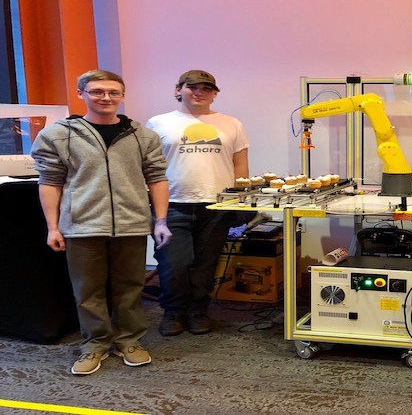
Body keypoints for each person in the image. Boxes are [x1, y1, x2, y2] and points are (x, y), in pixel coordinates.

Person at [31, 69, 171, 375]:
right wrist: (53, 226)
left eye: (112, 92)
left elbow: (157, 178)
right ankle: (94, 343)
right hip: (82, 225)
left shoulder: (142, 135)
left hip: (132, 223)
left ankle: (130, 341)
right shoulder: (58, 135)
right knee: (87, 289)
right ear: (81, 94)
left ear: (122, 96)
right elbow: (50, 181)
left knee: (130, 287)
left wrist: (160, 220)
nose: (105, 97)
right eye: (97, 91)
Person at [146, 70, 249, 336]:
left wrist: (240, 202)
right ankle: (172, 311)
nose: (199, 92)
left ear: (214, 93)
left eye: (206, 88)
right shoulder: (158, 123)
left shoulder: (231, 124)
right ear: (178, 89)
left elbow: (240, 165)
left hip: (217, 206)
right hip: (171, 206)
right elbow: (146, 166)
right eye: (192, 87)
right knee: (173, 264)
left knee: (205, 264)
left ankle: (197, 311)